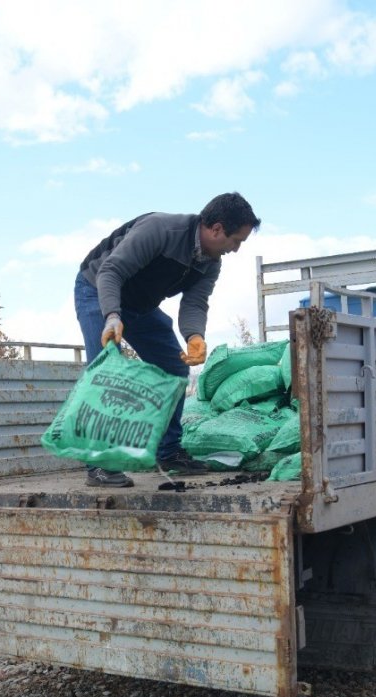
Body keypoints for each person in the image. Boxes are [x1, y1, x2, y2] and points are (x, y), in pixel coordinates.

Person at [74, 192, 261, 487]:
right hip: (98, 289)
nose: (235, 249)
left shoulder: (210, 263)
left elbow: (195, 304)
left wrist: (195, 336)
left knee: (174, 367)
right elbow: (111, 270)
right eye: (236, 240)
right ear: (217, 229)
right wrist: (112, 315)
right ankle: (99, 464)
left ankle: (169, 451)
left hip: (140, 306)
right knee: (105, 367)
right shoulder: (161, 230)